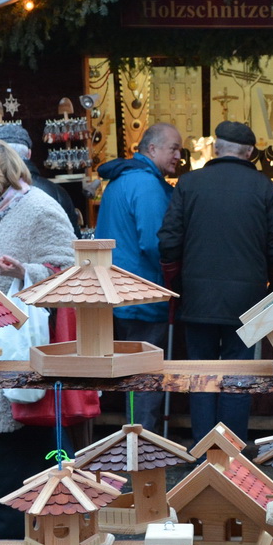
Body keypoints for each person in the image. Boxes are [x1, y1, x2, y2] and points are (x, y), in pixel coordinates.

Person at [0, 140, 78, 538]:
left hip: (21, 348)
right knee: (6, 450)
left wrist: (24, 271)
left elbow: (70, 270)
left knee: (21, 448)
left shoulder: (38, 208)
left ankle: (32, 537)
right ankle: (24, 535)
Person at [159, 121, 273, 441]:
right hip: (247, 301)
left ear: (216, 149)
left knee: (201, 376)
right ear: (250, 153)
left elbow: (168, 242)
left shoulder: (189, 184)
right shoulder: (265, 188)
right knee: (237, 377)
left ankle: (204, 451)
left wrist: (176, 282)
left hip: (197, 297)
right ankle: (232, 452)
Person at [94, 123, 182, 431]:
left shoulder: (120, 180)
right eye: (174, 148)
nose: (179, 156)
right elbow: (156, 244)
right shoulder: (147, 185)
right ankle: (142, 443)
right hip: (144, 294)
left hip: (119, 292)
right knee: (145, 377)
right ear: (152, 149)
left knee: (130, 374)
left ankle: (132, 439)